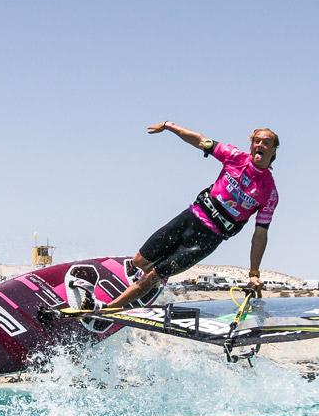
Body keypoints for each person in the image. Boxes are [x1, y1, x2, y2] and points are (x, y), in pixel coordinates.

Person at [99, 122, 279, 310]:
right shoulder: (234, 156)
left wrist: (254, 272)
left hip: (208, 239)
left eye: (266, 143)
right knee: (139, 261)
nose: (260, 145)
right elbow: (200, 140)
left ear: (273, 150)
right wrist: (169, 126)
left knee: (154, 275)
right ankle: (149, 284)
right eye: (257, 141)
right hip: (190, 218)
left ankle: (110, 307)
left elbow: (260, 235)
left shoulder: (269, 192)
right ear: (251, 145)